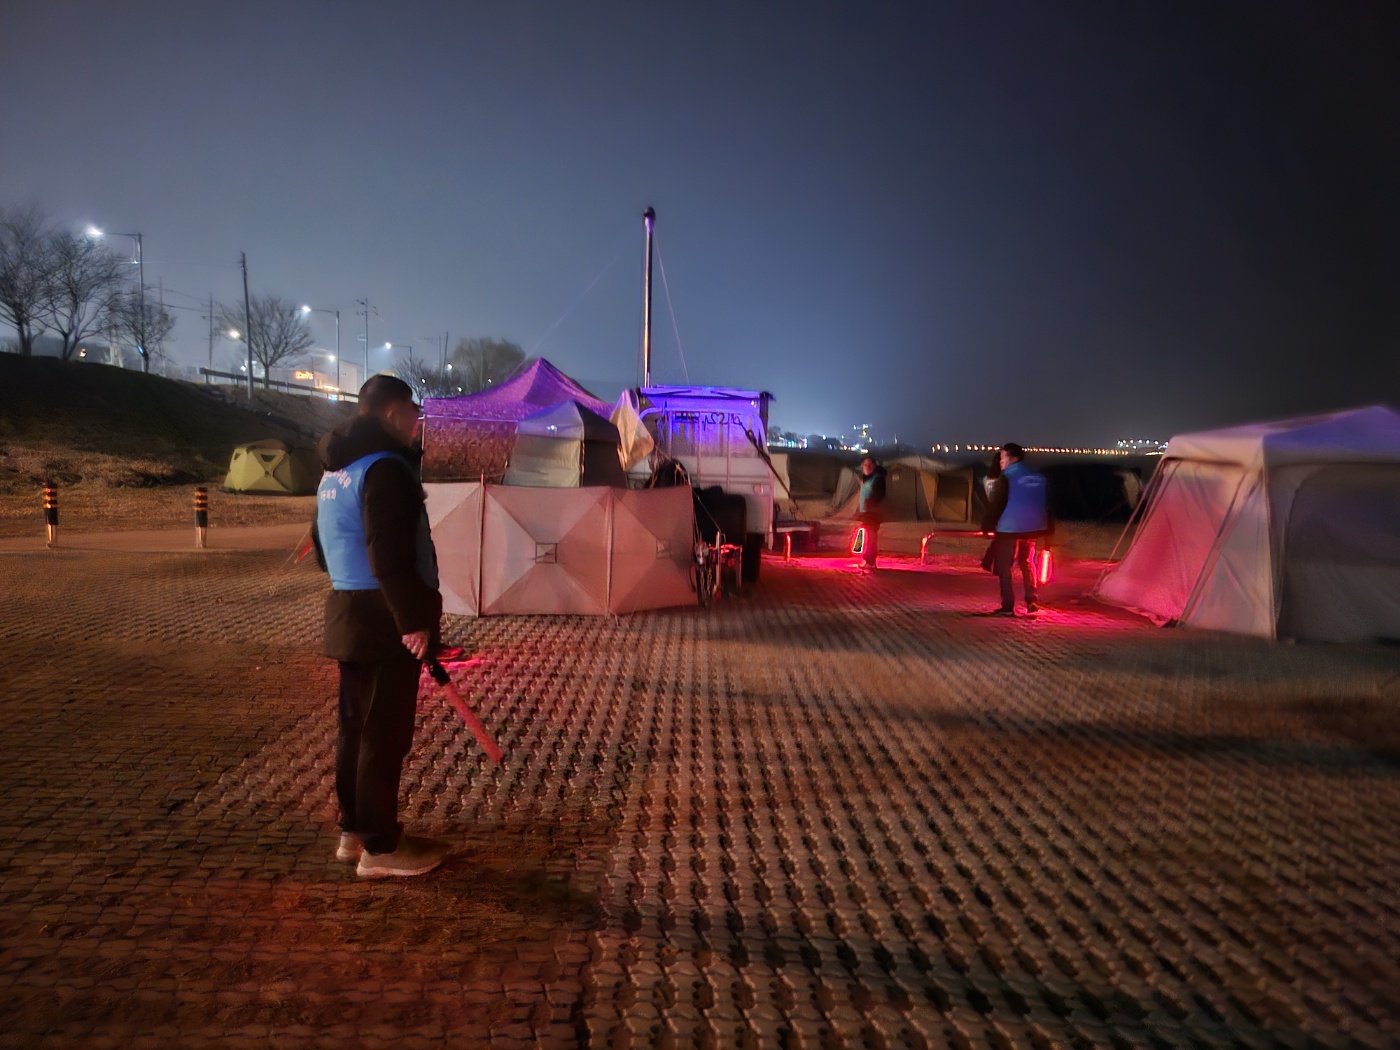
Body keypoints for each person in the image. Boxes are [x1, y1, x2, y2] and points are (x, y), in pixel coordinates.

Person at [313, 374, 447, 878]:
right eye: (413, 412)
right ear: (392, 414)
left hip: (349, 611)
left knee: (355, 728)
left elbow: (322, 546)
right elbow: (389, 552)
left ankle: (354, 832)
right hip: (383, 618)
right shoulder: (386, 468)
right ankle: (382, 848)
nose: (417, 422)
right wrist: (411, 621)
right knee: (383, 735)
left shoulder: (336, 470)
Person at [986, 443, 1047, 616]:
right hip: (1032, 527)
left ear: (1012, 458)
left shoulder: (1006, 477)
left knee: (1004, 566)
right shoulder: (1037, 476)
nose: (1000, 461)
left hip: (1010, 527)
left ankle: (1007, 605)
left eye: (1003, 457)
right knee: (1027, 562)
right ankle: (1032, 600)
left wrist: (988, 523)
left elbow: (998, 503)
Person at [853, 456, 887, 569]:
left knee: (871, 538)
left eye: (869, 465)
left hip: (873, 514)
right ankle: (867, 559)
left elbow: (880, 495)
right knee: (867, 537)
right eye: (865, 465)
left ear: (874, 466)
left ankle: (870, 561)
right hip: (866, 512)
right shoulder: (866, 479)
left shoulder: (878, 479)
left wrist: (870, 502)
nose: (867, 467)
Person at [979, 453, 1007, 573]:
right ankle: (992, 563)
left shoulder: (987, 479)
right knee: (1004, 540)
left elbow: (988, 501)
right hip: (998, 518)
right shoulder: (1002, 480)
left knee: (1001, 540)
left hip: (991, 518)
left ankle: (989, 562)